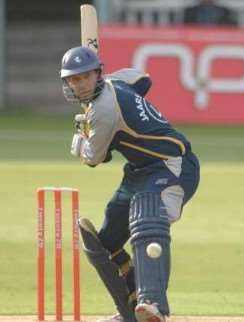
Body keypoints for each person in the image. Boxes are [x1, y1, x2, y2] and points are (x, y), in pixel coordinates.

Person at [60, 46, 200, 322]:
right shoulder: (118, 81)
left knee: (146, 212)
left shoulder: (102, 112)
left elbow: (93, 159)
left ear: (97, 73)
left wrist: (81, 139)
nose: (79, 85)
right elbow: (143, 79)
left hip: (172, 165)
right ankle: (129, 312)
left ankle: (153, 305)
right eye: (74, 80)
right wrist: (105, 85)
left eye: (85, 77)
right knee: (107, 242)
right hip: (139, 171)